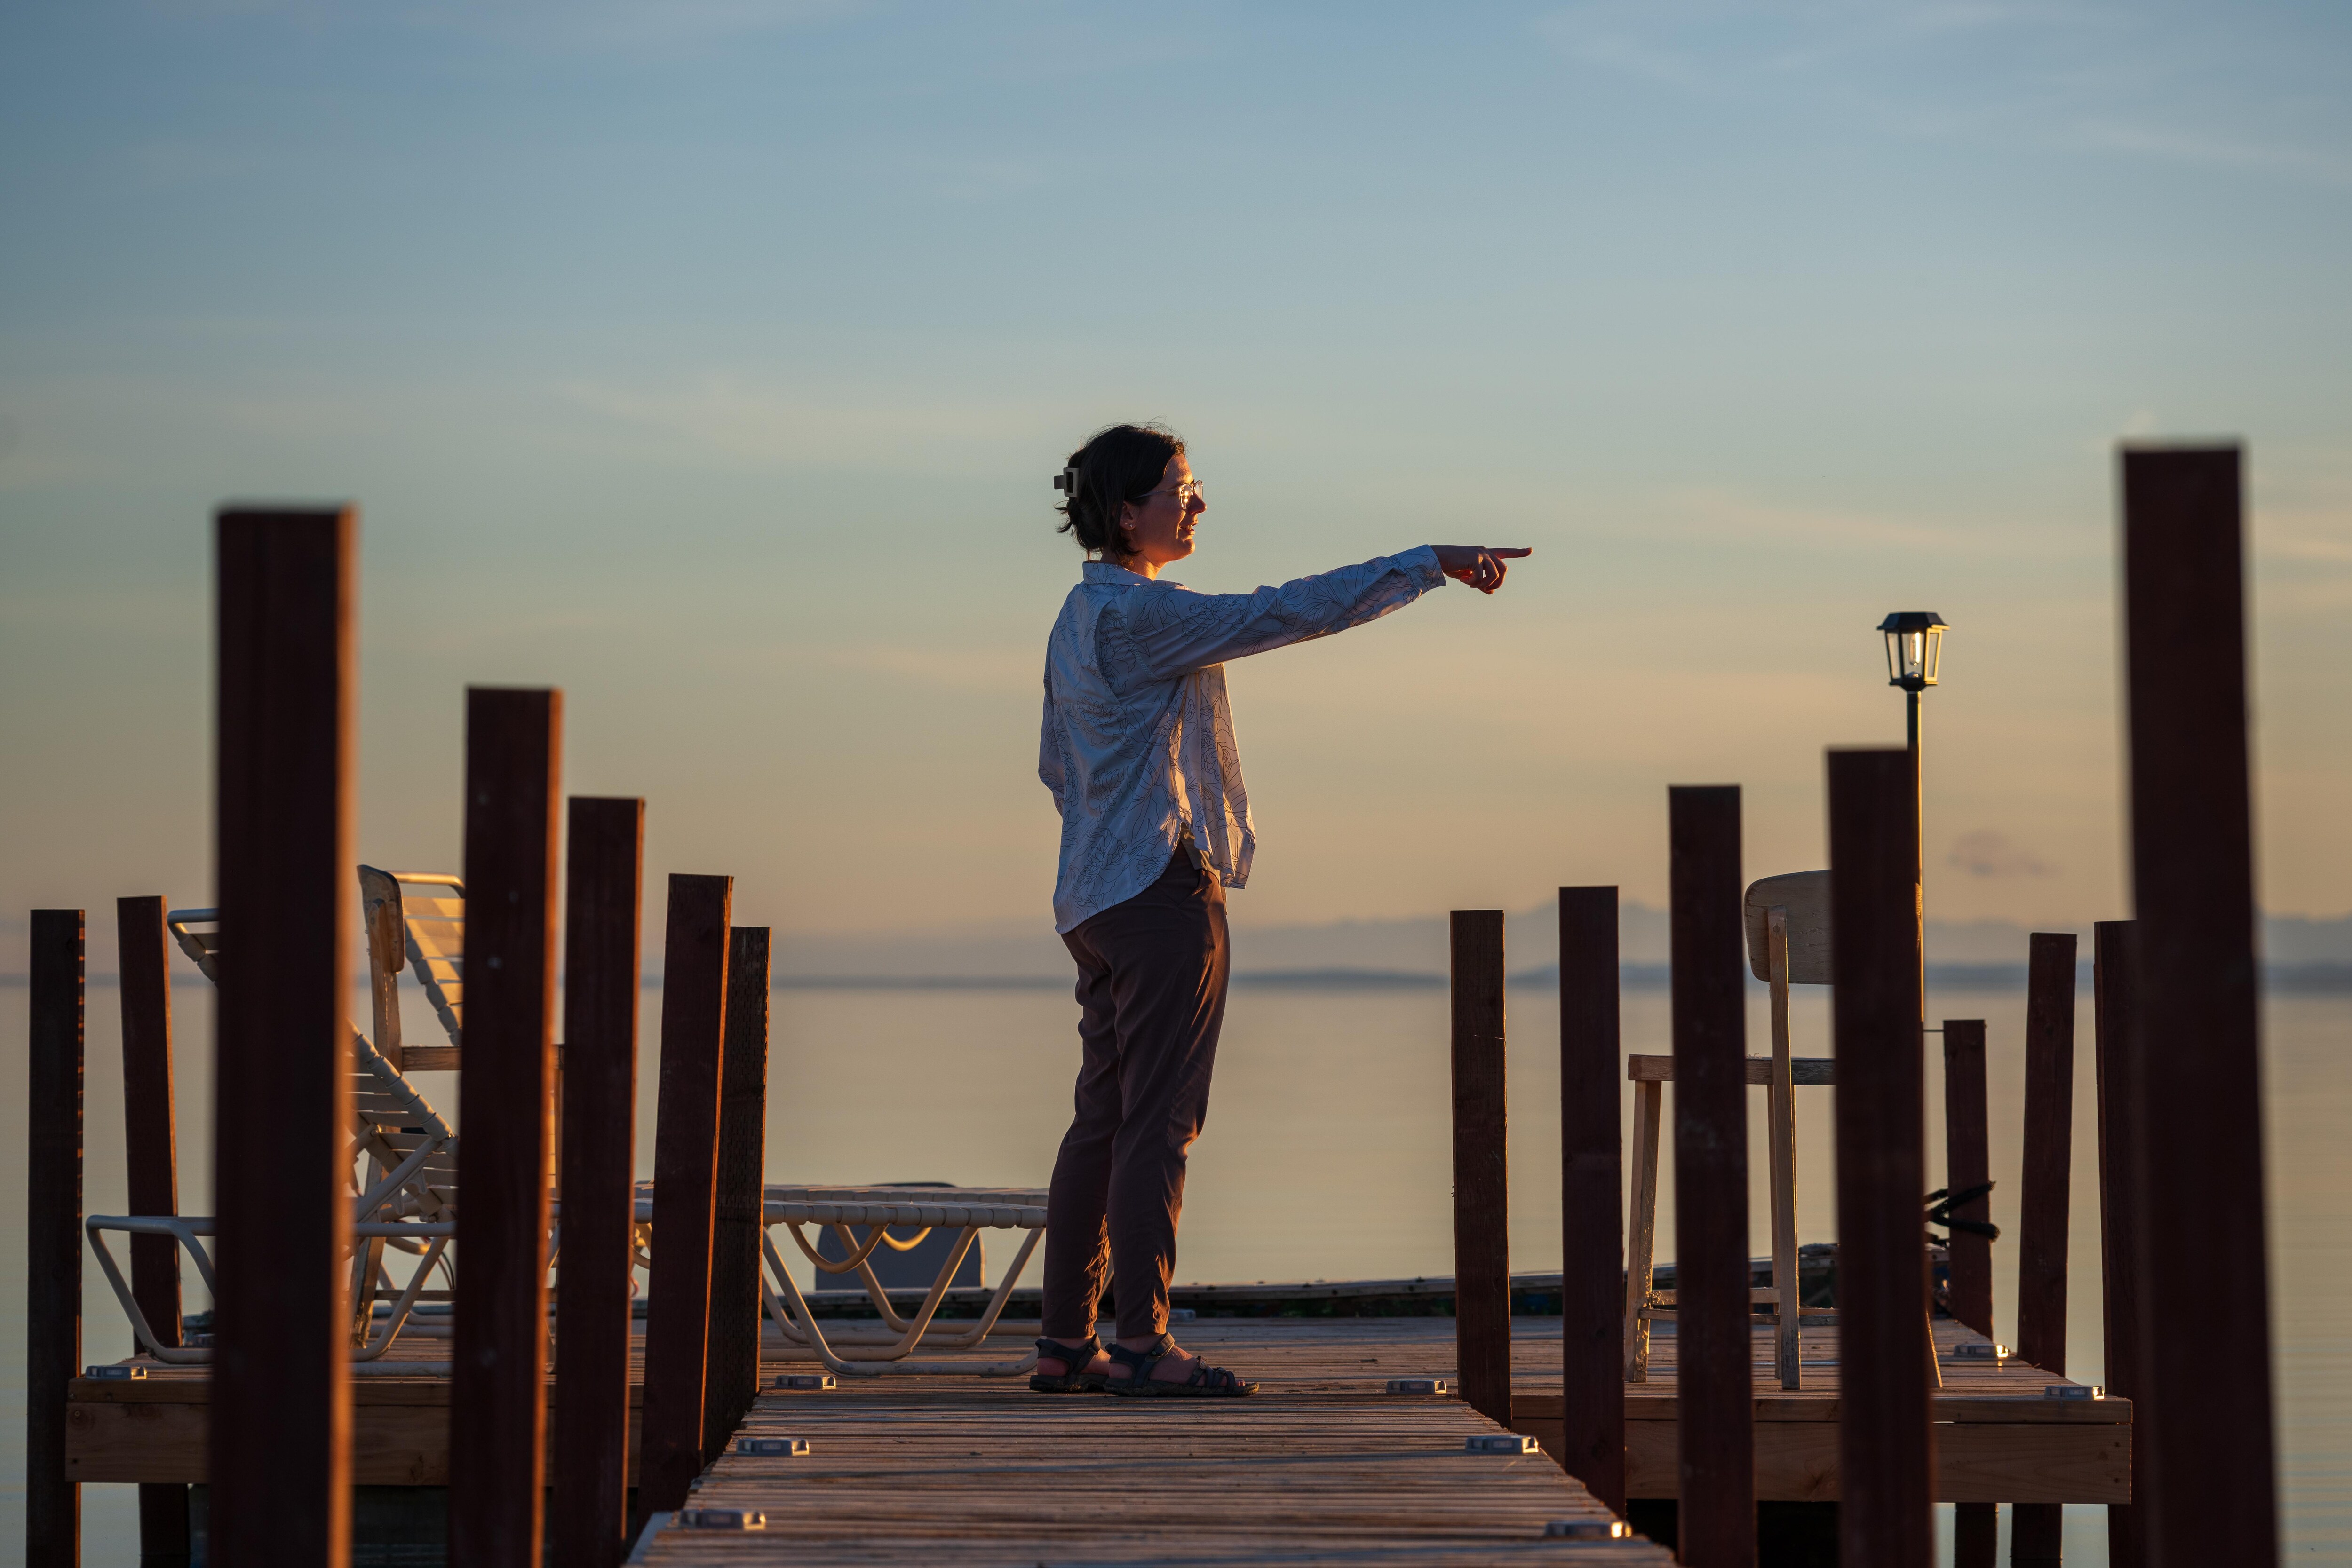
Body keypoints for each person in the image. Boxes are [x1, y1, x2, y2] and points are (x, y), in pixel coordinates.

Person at [1031, 421, 1529, 1397]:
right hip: (1155, 893)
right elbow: (1279, 613)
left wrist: (1109, 827)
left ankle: (1063, 1340)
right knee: (1156, 1122)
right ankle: (1140, 1340)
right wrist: (1420, 564)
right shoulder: (1140, 615)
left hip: (1090, 896)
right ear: (1129, 512)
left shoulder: (1073, 618)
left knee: (1102, 1116)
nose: (1198, 498)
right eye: (1180, 485)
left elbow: (1056, 761)